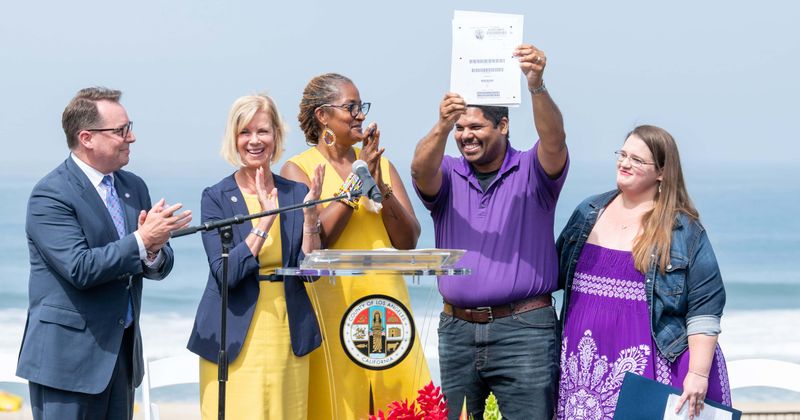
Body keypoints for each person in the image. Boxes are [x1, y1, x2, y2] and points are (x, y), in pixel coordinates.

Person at [410, 44, 568, 419]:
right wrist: (442, 124)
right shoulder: (448, 172)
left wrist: (536, 85)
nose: (466, 136)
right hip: (457, 329)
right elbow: (419, 171)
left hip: (524, 330)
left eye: (476, 126)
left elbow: (555, 141)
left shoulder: (532, 171)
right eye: (460, 129)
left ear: (503, 125)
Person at [16, 87, 191, 420]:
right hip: (66, 362)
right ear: (87, 138)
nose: (132, 137)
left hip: (121, 356)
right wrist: (142, 240)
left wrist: (153, 250)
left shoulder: (133, 186)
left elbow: (156, 261)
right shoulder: (50, 194)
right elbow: (80, 268)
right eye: (121, 130)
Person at [556, 125, 731, 420]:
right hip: (581, 370)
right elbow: (553, 273)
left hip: (650, 372)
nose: (624, 163)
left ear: (661, 172)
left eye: (637, 160)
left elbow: (706, 307)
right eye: (622, 154)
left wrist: (698, 374)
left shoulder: (683, 230)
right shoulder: (588, 212)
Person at [282, 73, 428, 419]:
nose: (360, 114)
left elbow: (407, 241)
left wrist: (379, 182)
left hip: (387, 309)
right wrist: (354, 186)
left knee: (399, 405)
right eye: (351, 107)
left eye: (361, 107)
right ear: (323, 116)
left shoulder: (381, 165)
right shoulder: (298, 170)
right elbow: (318, 241)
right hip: (336, 309)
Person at [187, 94, 325, 419]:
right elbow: (226, 272)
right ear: (233, 138)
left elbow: (311, 272)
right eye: (245, 132)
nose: (254, 140)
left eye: (262, 131)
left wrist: (310, 220)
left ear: (276, 135)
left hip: (286, 332)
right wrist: (265, 221)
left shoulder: (295, 193)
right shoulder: (216, 197)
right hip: (232, 334)